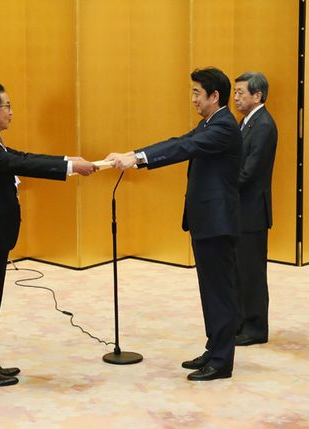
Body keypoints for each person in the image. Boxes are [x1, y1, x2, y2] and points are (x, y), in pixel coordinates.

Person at [106, 67, 242, 381]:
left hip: (218, 221)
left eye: (197, 92)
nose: (192, 98)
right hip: (207, 220)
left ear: (214, 96)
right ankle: (214, 349)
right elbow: (178, 140)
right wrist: (134, 153)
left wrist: (137, 159)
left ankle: (221, 362)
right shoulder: (209, 123)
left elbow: (183, 149)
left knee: (219, 292)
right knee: (210, 290)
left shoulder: (224, 127)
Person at [0, 81, 97, 387]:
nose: (11, 112)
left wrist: (67, 160)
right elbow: (21, 163)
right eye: (6, 106)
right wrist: (70, 167)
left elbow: (20, 155)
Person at [233, 72, 277, 346]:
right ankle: (240, 321)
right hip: (239, 209)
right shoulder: (246, 122)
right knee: (239, 269)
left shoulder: (263, 125)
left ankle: (256, 328)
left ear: (257, 96)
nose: (236, 97)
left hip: (252, 211)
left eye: (240, 92)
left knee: (251, 271)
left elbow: (249, 172)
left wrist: (222, 186)